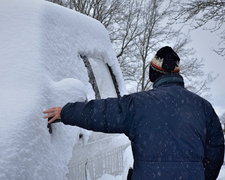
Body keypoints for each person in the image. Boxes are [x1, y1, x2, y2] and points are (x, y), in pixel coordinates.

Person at [43, 46, 224, 180]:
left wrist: (66, 112)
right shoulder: (204, 108)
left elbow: (101, 112)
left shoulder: (138, 104)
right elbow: (216, 153)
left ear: (153, 73)